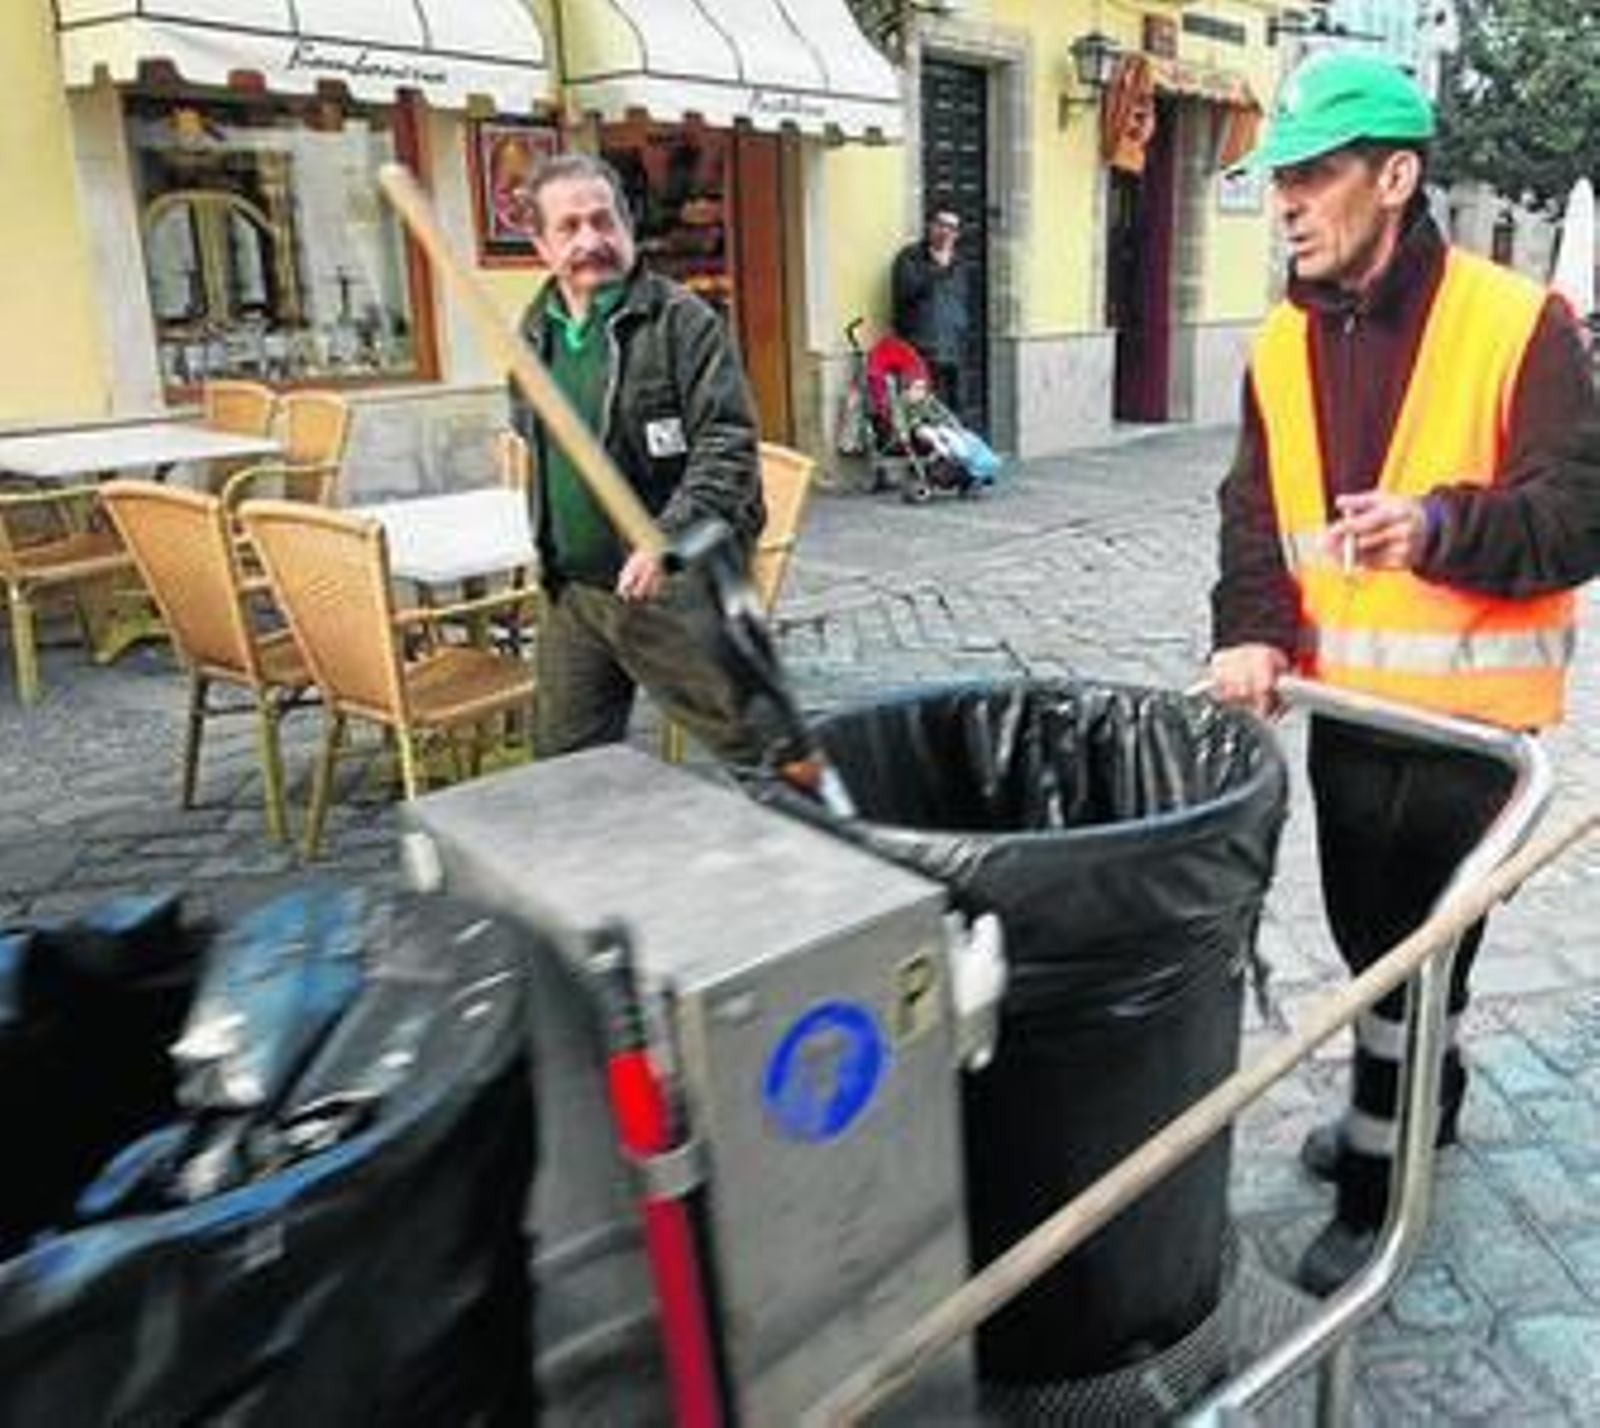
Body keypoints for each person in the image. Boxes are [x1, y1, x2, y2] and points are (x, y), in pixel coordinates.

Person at [1208, 53, 1600, 1296]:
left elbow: (1578, 513)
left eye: (1314, 176)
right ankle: (1423, 1101)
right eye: (1281, 179)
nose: (1288, 202)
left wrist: (1440, 527)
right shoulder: (1279, 341)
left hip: (1473, 736)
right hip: (1344, 714)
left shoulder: (1515, 320)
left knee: (1413, 966)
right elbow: (1248, 512)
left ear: (1394, 175)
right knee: (1366, 939)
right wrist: (1251, 624)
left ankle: (1384, 1183)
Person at [509, 152, 774, 766]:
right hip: (573, 592)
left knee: (762, 749)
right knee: (567, 766)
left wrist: (666, 538)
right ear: (542, 246)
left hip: (678, 588)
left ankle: (830, 847)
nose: (590, 240)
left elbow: (727, 444)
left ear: (627, 225)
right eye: (569, 227)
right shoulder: (534, 331)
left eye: (603, 221)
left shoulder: (683, 323)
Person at [890, 204, 969, 410]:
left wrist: (962, 331)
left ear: (957, 234)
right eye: (940, 224)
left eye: (952, 228)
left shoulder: (960, 263)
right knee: (919, 413)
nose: (945, 231)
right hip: (920, 352)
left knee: (952, 413)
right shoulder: (910, 257)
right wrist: (938, 269)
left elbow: (962, 301)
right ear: (930, 226)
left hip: (954, 351)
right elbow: (906, 293)